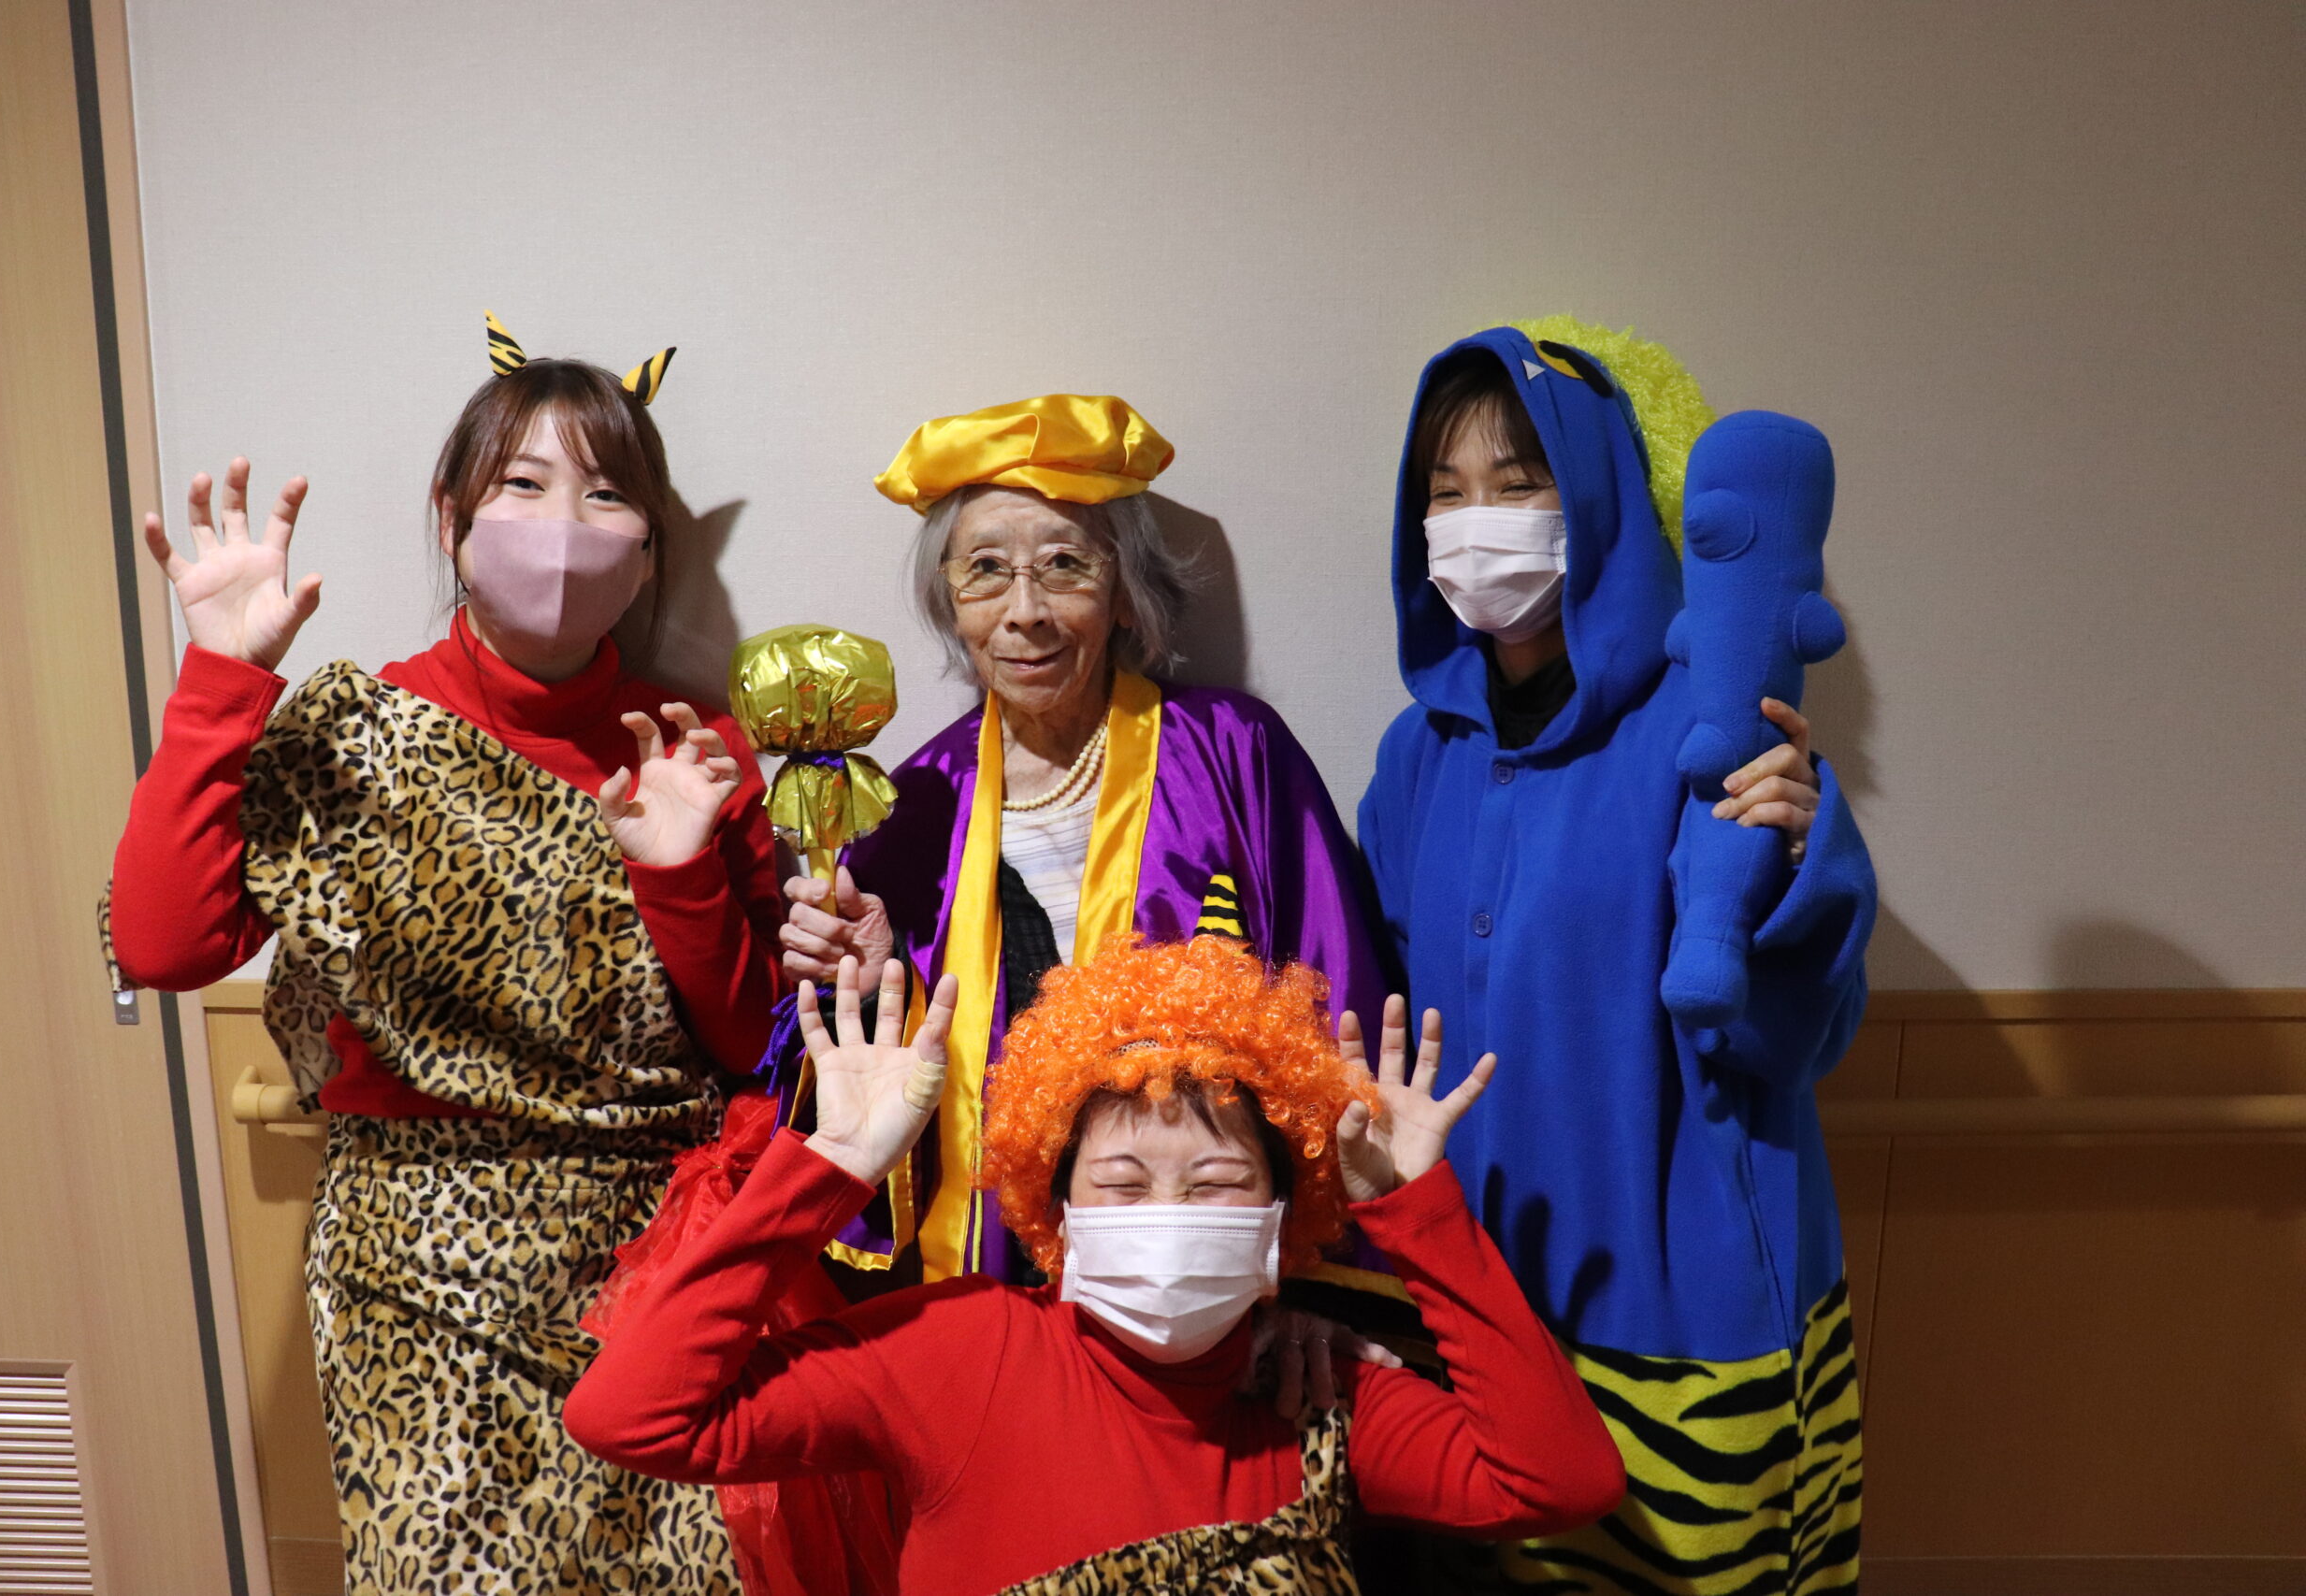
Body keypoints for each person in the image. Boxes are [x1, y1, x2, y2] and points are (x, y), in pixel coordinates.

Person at [104, 317, 783, 1592]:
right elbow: (163, 943)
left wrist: (680, 869)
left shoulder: (693, 749)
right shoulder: (353, 730)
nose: (564, 526)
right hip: (414, 1268)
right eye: (523, 484)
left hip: (650, 1264)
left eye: (606, 494)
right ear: (452, 517)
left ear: (648, 553)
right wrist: (220, 682)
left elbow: (752, 1039)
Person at [565, 937, 1628, 1596]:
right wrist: (828, 1166)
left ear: (1280, 1216)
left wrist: (1415, 1211)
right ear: (1057, 1210)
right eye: (1122, 1182)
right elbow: (630, 1417)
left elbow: (1562, 1480)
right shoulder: (961, 1350)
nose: (1168, 1213)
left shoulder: (1316, 1395)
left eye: (1216, 1183)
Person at [1356, 318, 1878, 1594]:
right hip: (1480, 1304)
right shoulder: (1419, 754)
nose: (1476, 523)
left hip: (1683, 1311)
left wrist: (1793, 852)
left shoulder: (1708, 730)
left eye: (1517, 483)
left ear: (1594, 498)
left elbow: (1791, 1036)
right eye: (1445, 493)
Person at [774, 395, 1391, 1290]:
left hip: (1205, 1256)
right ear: (949, 600)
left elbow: (1342, 1016)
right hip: (994, 1270)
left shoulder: (1237, 754)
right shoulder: (912, 804)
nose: (1025, 611)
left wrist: (1314, 1286)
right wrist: (866, 984)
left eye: (1066, 564)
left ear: (1125, 594)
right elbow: (867, 1096)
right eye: (986, 570)